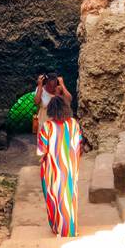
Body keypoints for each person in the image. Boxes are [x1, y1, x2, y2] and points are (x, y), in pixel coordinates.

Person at [37, 95, 83, 237]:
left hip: (53, 168)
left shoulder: (47, 127)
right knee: (69, 195)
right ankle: (69, 228)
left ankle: (58, 227)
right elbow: (78, 144)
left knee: (54, 196)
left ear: (51, 110)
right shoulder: (74, 124)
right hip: (71, 166)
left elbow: (41, 151)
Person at [33, 73, 72, 152]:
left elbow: (69, 99)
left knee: (56, 146)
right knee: (45, 146)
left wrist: (62, 84)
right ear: (46, 83)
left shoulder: (58, 89)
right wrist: (40, 85)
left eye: (53, 86)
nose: (52, 88)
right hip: (44, 122)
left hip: (57, 122)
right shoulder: (40, 89)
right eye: (50, 86)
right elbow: (36, 102)